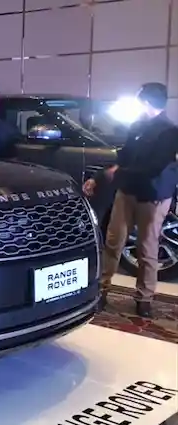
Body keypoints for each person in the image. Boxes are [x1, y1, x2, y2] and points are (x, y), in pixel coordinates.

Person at [83, 82, 178, 318]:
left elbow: (154, 167)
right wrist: (100, 176)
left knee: (147, 248)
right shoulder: (137, 125)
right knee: (113, 242)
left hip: (153, 196)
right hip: (127, 192)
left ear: (146, 102)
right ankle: (102, 290)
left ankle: (144, 298)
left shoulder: (169, 131)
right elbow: (123, 157)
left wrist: (118, 174)